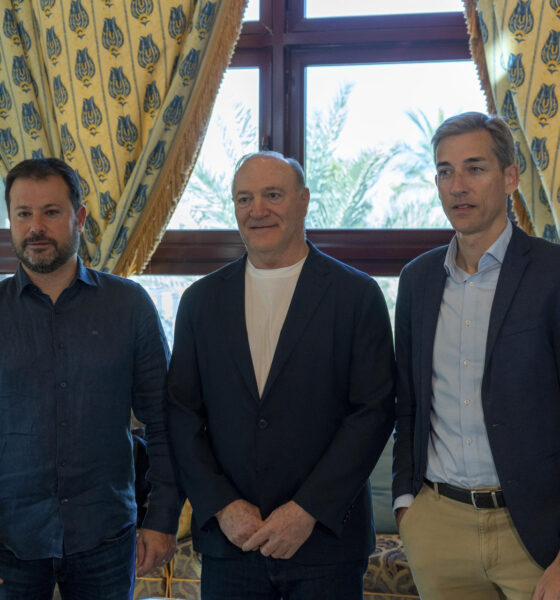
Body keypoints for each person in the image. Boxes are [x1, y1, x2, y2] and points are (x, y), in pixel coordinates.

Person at [167, 151, 395, 599]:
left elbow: (373, 412)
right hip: (231, 544)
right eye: (244, 199)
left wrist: (306, 510)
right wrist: (224, 507)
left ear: (304, 200)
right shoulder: (200, 301)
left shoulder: (356, 295)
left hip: (325, 543)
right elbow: (182, 415)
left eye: (273, 195)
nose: (258, 210)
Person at [392, 112, 560, 600]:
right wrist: (408, 508)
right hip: (438, 528)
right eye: (445, 171)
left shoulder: (553, 274)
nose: (457, 186)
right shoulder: (417, 280)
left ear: (510, 177)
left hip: (535, 532)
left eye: (474, 168)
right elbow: (407, 402)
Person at [0, 158, 180, 599]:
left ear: (79, 218)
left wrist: (161, 519)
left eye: (51, 212)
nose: (36, 226)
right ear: (10, 221)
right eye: (23, 214)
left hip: (105, 537)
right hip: (11, 541)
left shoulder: (129, 306)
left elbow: (164, 422)